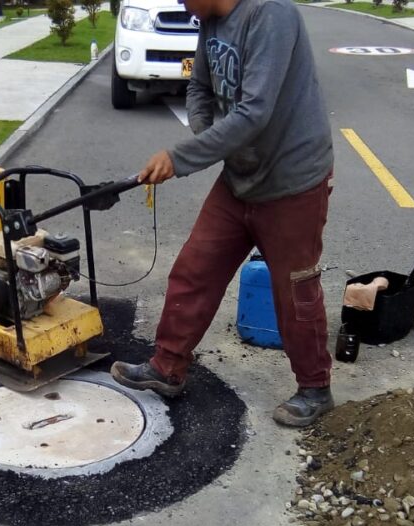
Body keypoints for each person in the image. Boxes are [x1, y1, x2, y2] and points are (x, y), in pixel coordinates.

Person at [110, 0, 335, 427]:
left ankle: (315, 387)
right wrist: (209, 136)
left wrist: (181, 157)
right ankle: (167, 367)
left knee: (294, 290)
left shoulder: (271, 14)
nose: (182, 4)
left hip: (293, 179)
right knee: (195, 268)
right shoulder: (210, 21)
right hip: (239, 177)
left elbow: (254, 112)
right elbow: (198, 87)